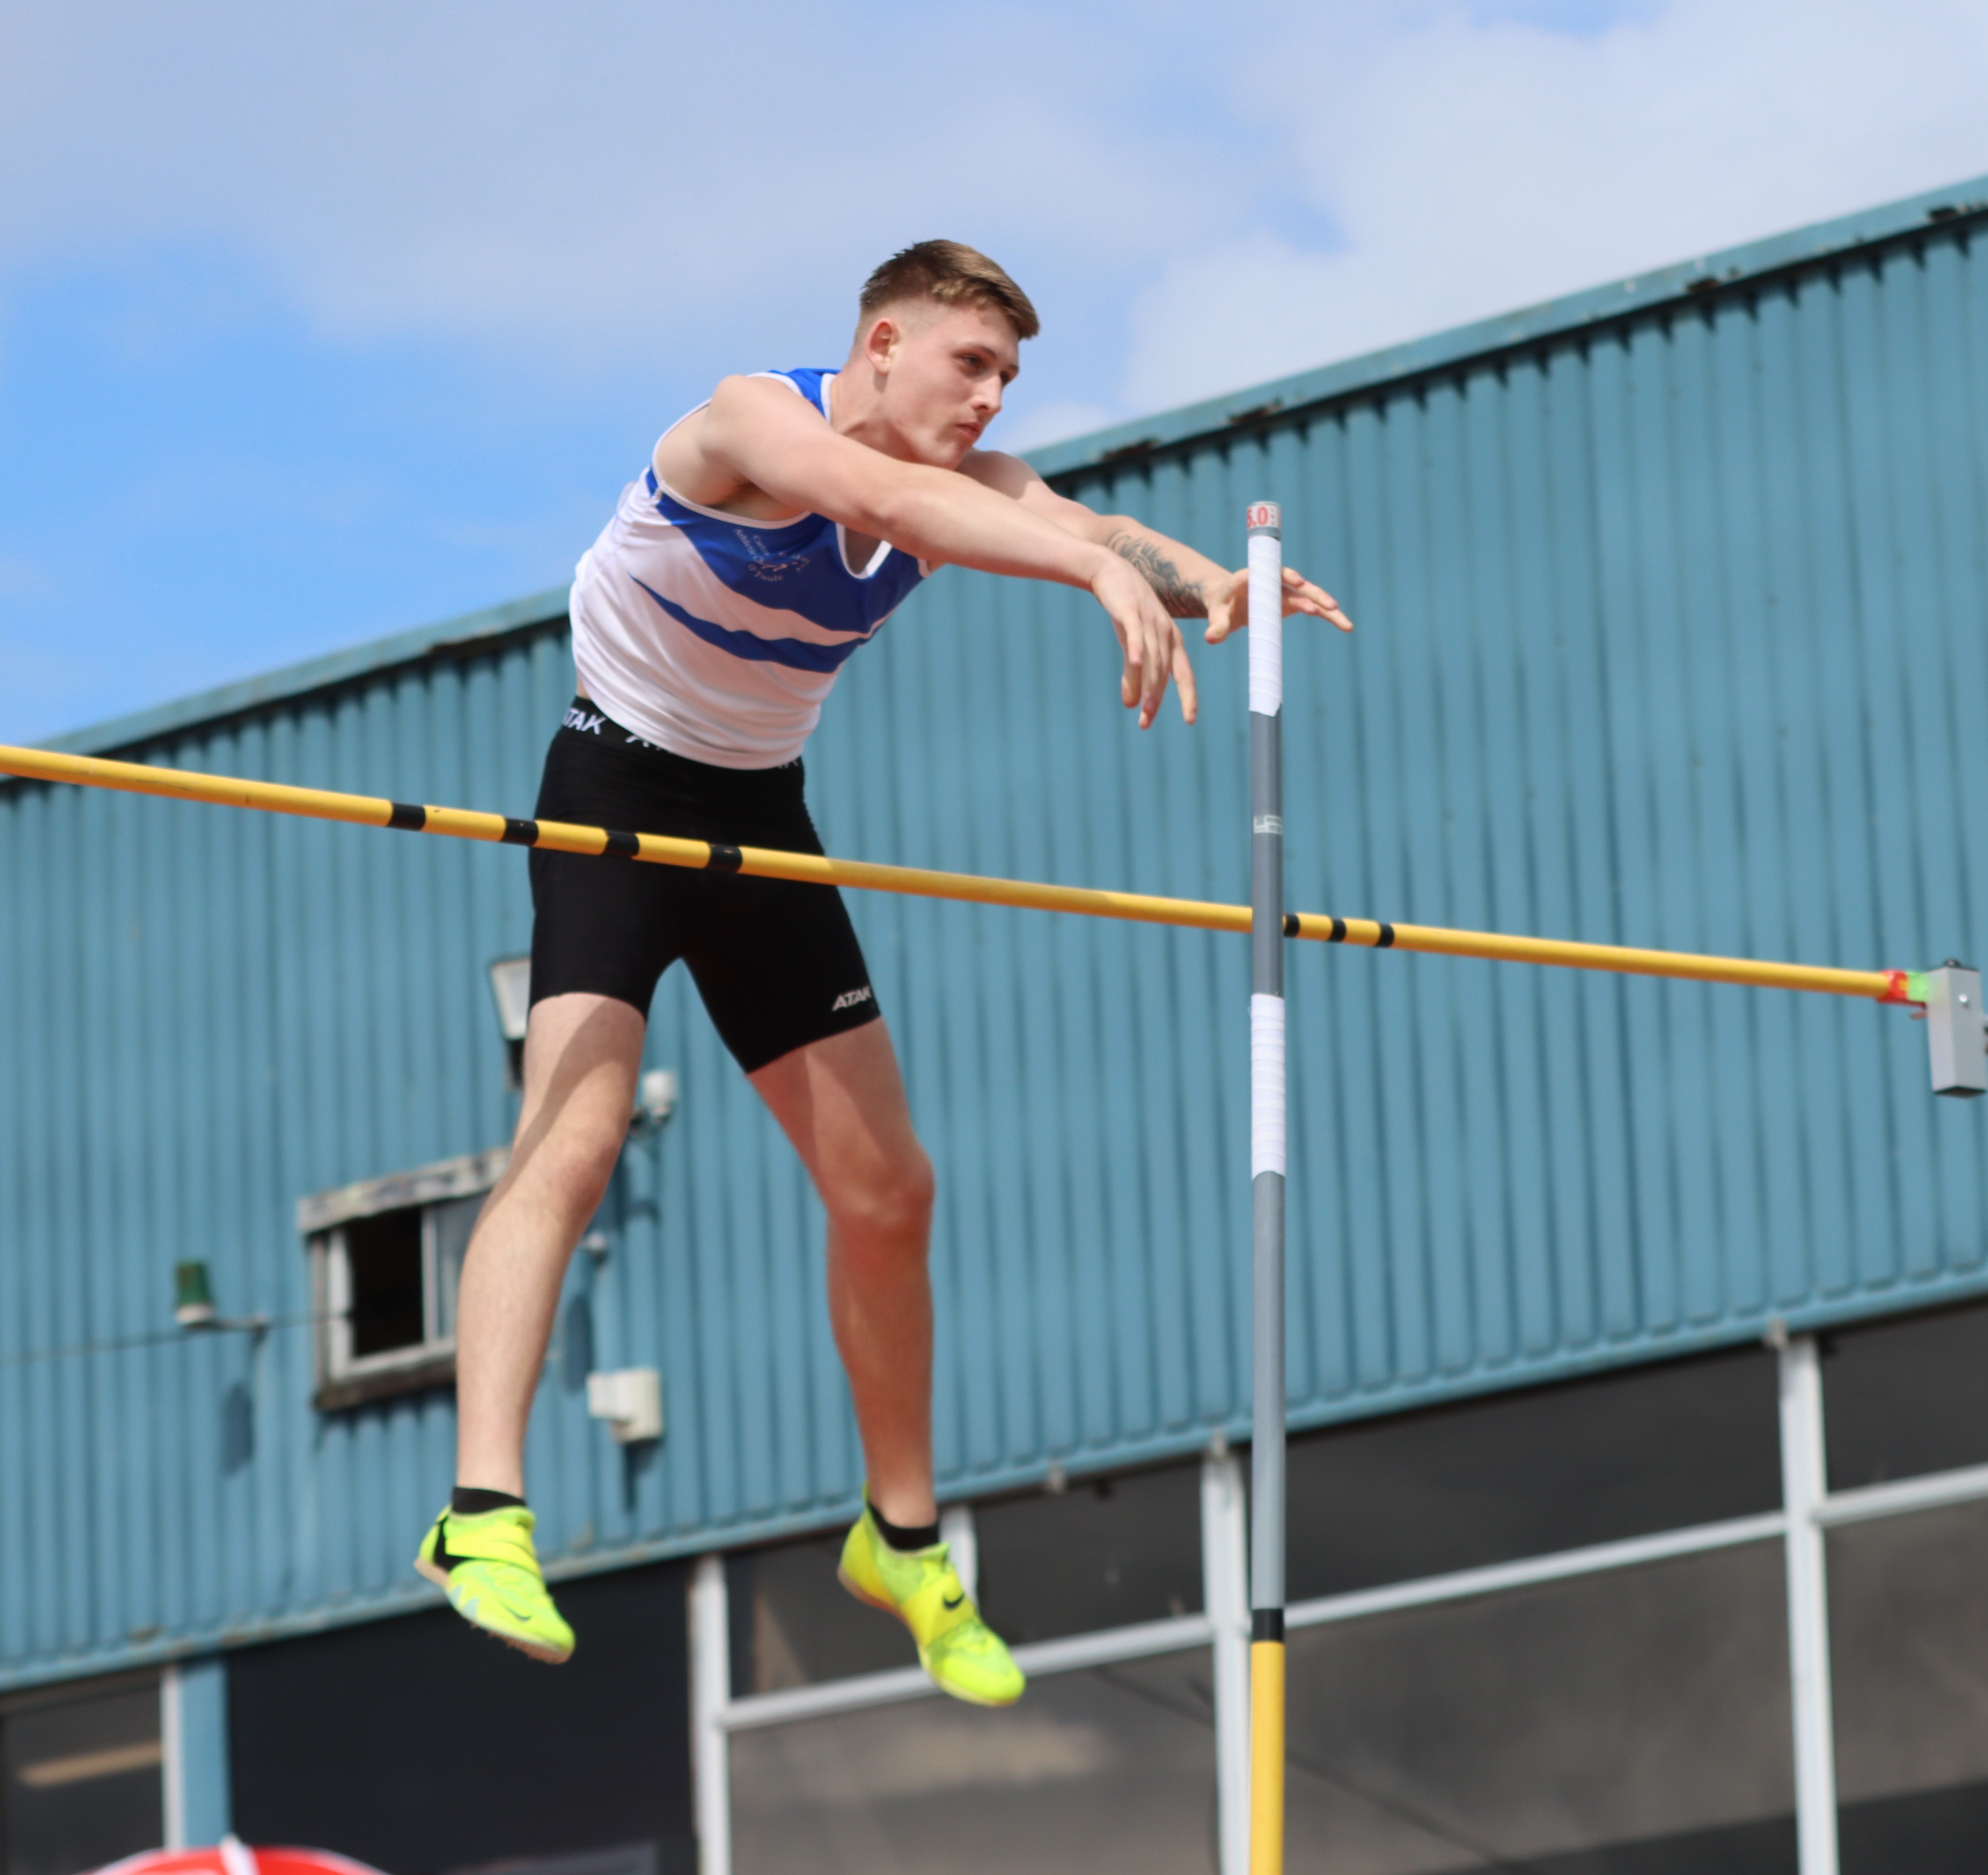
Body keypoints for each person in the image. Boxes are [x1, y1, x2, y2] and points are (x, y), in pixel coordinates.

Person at [418, 241, 1350, 1705]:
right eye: (968, 365)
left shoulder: (977, 480)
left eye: (1008, 378)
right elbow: (873, 500)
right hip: (614, 792)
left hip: (755, 812)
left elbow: (1080, 519)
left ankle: (900, 1542)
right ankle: (479, 1516)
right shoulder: (747, 421)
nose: (988, 399)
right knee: (574, 1136)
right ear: (881, 342)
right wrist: (1090, 566)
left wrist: (1207, 584)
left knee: (887, 1189)